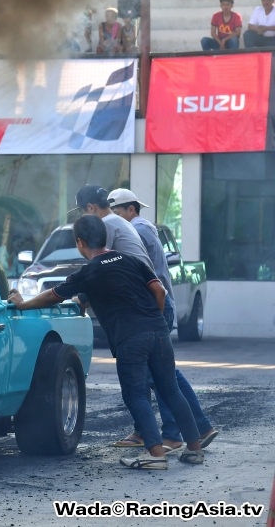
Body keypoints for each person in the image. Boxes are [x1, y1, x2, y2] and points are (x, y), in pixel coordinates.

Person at [9, 215, 205, 469]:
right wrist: (152, 320)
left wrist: (22, 303)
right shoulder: (133, 260)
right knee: (170, 390)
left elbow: (52, 296)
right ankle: (194, 449)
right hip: (159, 333)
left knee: (135, 394)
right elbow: (158, 291)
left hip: (130, 339)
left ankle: (156, 455)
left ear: (80, 243)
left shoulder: (90, 271)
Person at [108, 189, 219, 452]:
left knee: (162, 376)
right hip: (152, 306)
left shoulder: (138, 231)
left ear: (131, 210)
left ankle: (175, 433)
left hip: (154, 306)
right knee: (156, 373)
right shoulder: (140, 229)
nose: (111, 221)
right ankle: (186, 428)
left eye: (116, 213)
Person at [70, 185, 155, 273]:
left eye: (82, 212)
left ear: (91, 208)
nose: (83, 216)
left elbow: (96, 263)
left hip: (135, 281)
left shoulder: (105, 224)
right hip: (143, 280)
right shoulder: (119, 221)